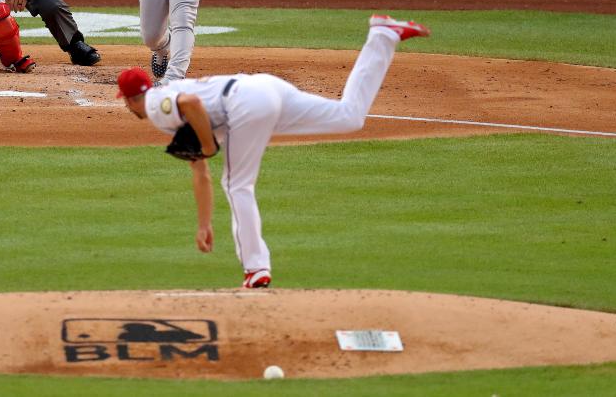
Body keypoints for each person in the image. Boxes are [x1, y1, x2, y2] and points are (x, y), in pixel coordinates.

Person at [115, 15, 431, 288]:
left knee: (237, 184)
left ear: (131, 99)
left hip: (245, 103)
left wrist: (209, 144)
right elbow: (200, 172)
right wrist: (204, 224)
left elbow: (192, 104)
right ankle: (383, 36)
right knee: (348, 117)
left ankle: (255, 268)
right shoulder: (167, 103)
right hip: (265, 89)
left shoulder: (156, 105)